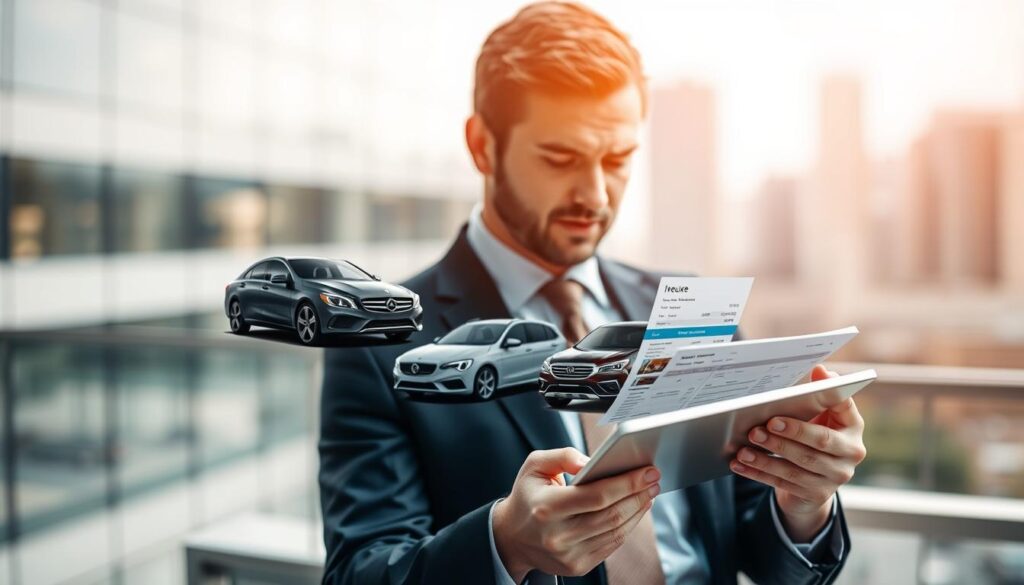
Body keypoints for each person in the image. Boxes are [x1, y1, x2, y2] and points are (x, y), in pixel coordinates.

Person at [318, 2, 867, 584]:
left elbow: (754, 540)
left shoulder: (691, 310)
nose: (595, 195)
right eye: (560, 158)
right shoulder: (381, 347)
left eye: (618, 159)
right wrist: (504, 545)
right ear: (483, 146)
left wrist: (803, 502)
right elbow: (360, 572)